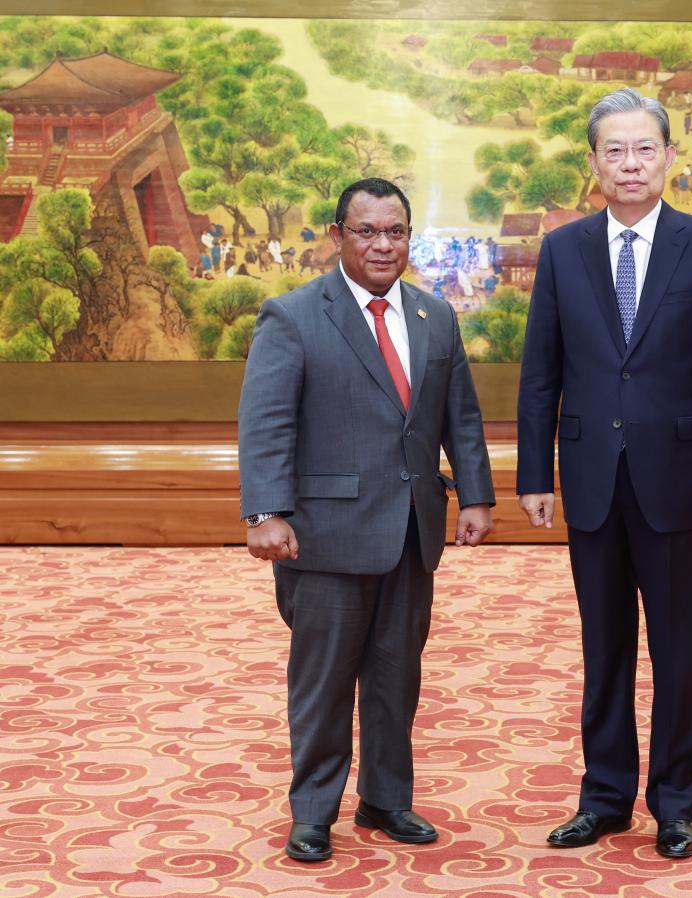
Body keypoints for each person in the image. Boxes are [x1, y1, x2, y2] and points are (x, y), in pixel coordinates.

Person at [516, 88, 692, 860]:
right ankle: (605, 798)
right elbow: (540, 373)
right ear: (593, 162)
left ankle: (677, 803)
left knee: (680, 650)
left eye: (643, 149)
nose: (629, 163)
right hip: (590, 477)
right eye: (613, 150)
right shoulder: (563, 249)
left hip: (682, 479)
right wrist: (533, 474)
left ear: (668, 158)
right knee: (604, 645)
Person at [238, 177, 495, 863]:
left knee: (394, 678)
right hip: (325, 535)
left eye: (396, 232)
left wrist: (475, 495)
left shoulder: (434, 316)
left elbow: (459, 416)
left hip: (413, 532)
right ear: (337, 235)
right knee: (322, 683)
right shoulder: (292, 316)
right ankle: (314, 811)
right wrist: (264, 511)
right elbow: (266, 423)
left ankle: (386, 801)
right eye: (367, 231)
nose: (383, 245)